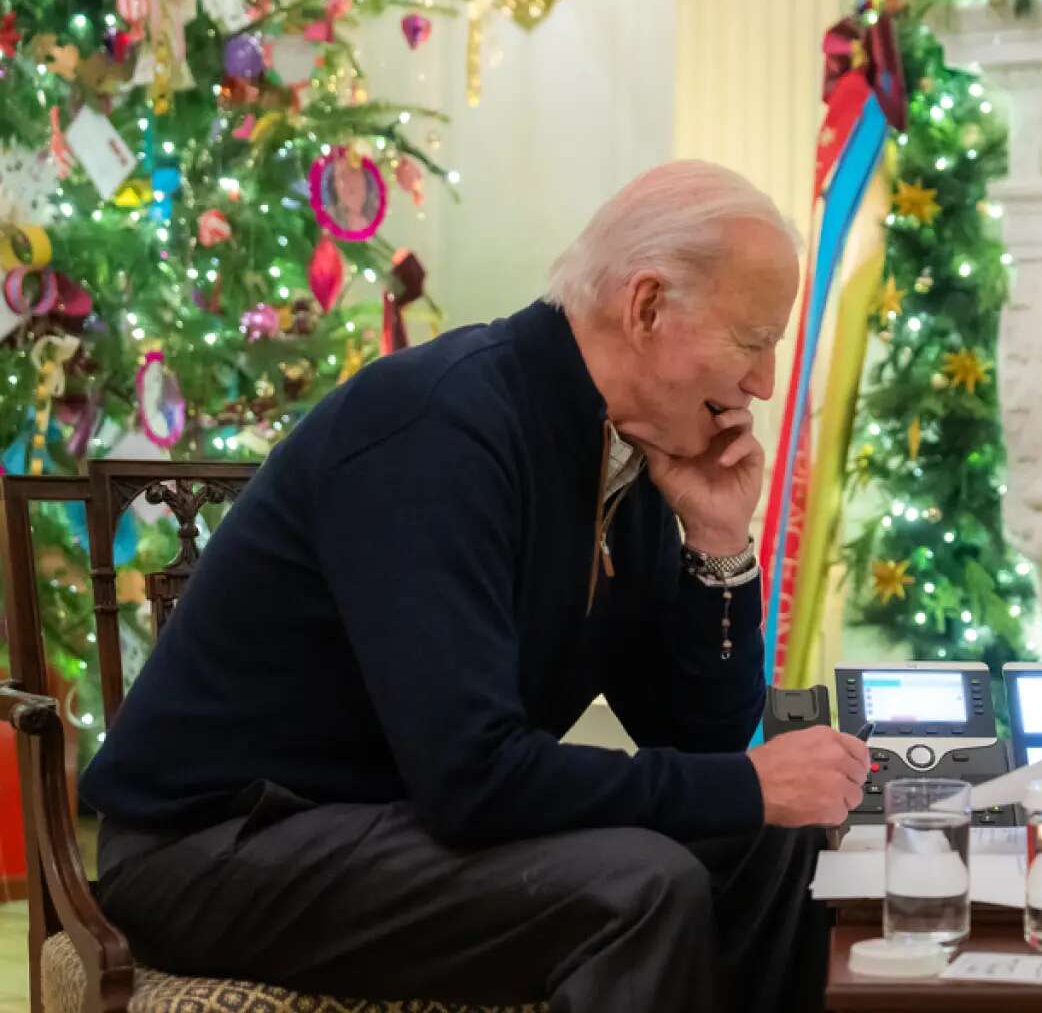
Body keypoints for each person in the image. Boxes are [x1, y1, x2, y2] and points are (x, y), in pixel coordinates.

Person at [80, 161, 869, 1013]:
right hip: (215, 847)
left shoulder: (626, 453)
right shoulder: (437, 424)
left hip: (391, 819)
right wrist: (749, 783)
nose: (762, 383)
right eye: (754, 342)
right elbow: (474, 779)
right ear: (646, 308)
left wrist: (717, 543)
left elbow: (699, 739)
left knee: (772, 843)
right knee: (643, 886)